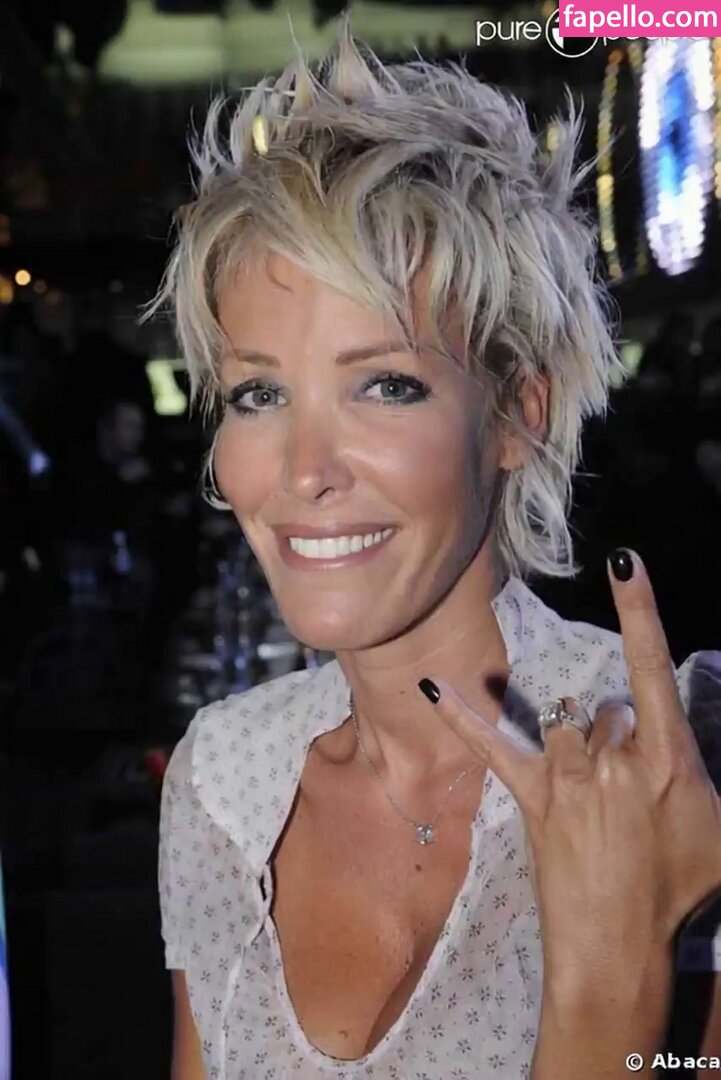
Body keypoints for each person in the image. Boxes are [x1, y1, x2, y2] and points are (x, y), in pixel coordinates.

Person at [148, 18, 721, 1079]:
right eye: (259, 394)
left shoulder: (680, 761)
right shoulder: (223, 779)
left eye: (384, 384)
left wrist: (617, 968)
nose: (305, 470)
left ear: (516, 416)